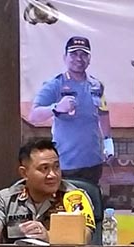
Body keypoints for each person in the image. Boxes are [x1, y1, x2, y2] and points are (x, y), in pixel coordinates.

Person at [0, 140, 96, 244]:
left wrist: (48, 236)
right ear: (24, 173)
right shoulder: (3, 199)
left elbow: (84, 236)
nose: (53, 175)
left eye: (56, 167)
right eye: (44, 168)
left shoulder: (75, 197)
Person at [29, 36, 112, 185]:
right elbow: (34, 116)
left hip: (93, 162)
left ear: (89, 59)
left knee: (91, 198)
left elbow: (103, 113)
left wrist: (108, 142)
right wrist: (56, 107)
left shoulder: (96, 85)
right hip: (66, 164)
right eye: (73, 54)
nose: (79, 59)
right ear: (65, 57)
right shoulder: (54, 84)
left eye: (83, 54)